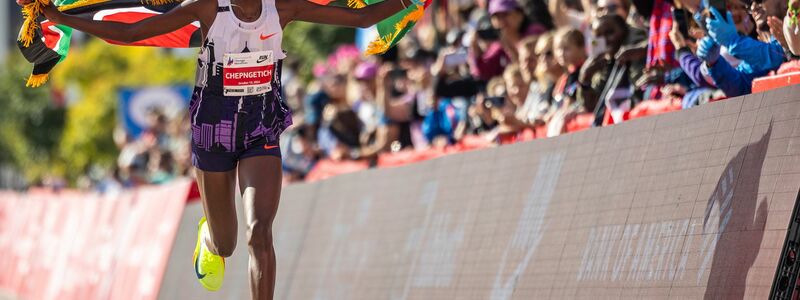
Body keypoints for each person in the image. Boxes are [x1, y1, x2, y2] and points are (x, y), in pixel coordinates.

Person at [22, 0, 419, 298]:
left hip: (261, 127)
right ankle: (209, 237)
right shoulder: (209, 8)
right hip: (213, 130)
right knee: (227, 244)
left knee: (259, 233)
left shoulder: (281, 8)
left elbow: (362, 18)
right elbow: (132, 32)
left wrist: (405, 2)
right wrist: (63, 19)